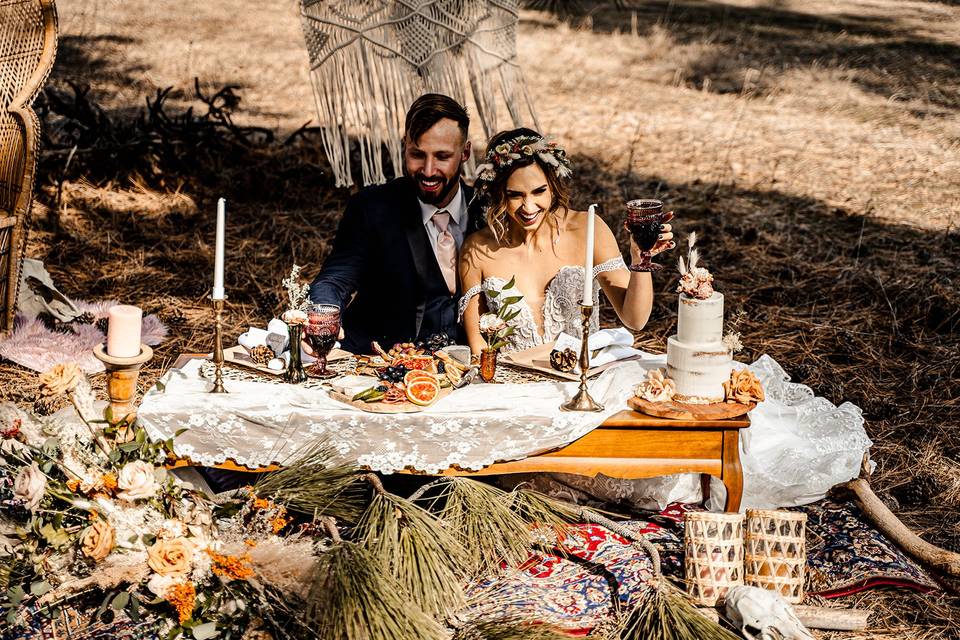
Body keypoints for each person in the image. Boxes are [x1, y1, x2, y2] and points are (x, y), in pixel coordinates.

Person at [458, 127, 674, 355]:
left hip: (581, 379)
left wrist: (641, 259)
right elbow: (478, 347)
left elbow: (635, 320)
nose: (528, 207)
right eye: (515, 195)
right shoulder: (476, 250)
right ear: (498, 193)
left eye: (539, 191)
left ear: (553, 185)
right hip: (511, 384)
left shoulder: (588, 229)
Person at [309, 93, 486, 354]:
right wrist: (323, 312)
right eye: (417, 154)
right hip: (378, 362)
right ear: (404, 146)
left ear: (465, 153)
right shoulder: (371, 208)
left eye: (442, 156)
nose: (427, 170)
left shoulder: (487, 210)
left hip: (466, 367)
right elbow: (336, 279)